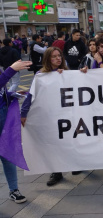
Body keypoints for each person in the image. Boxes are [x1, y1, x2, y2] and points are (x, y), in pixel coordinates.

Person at [21, 47, 80, 186]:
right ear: (48, 59)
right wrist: (23, 113)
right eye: (54, 56)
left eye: (59, 55)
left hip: (67, 114)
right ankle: (56, 171)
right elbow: (30, 95)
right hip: (50, 116)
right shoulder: (40, 76)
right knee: (54, 143)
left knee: (70, 140)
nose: (58, 58)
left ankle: (77, 164)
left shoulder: (66, 72)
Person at [0, 60, 31, 203]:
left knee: (7, 153)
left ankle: (14, 189)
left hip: (4, 113)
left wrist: (10, 94)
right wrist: (11, 70)